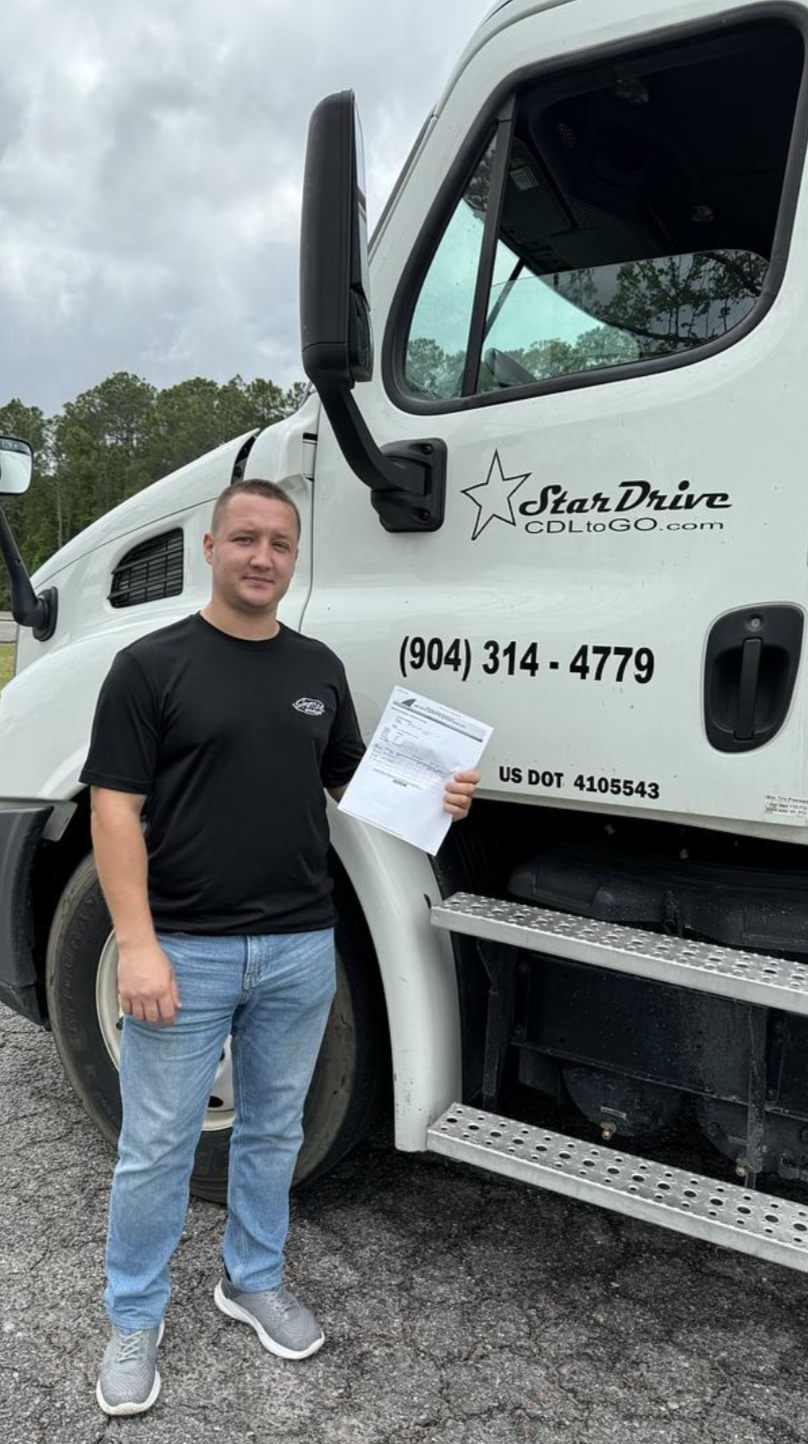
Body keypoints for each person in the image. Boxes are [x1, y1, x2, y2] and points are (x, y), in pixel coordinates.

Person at [80, 477, 480, 1417]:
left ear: (294, 559)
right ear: (210, 548)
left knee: (273, 1130)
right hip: (187, 949)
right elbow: (113, 811)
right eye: (246, 539)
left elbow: (350, 782)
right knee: (157, 1146)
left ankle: (252, 1279)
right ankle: (133, 1317)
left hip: (301, 946)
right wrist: (136, 945)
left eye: (280, 544)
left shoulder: (316, 668)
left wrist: (437, 797)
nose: (263, 557)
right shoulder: (149, 666)